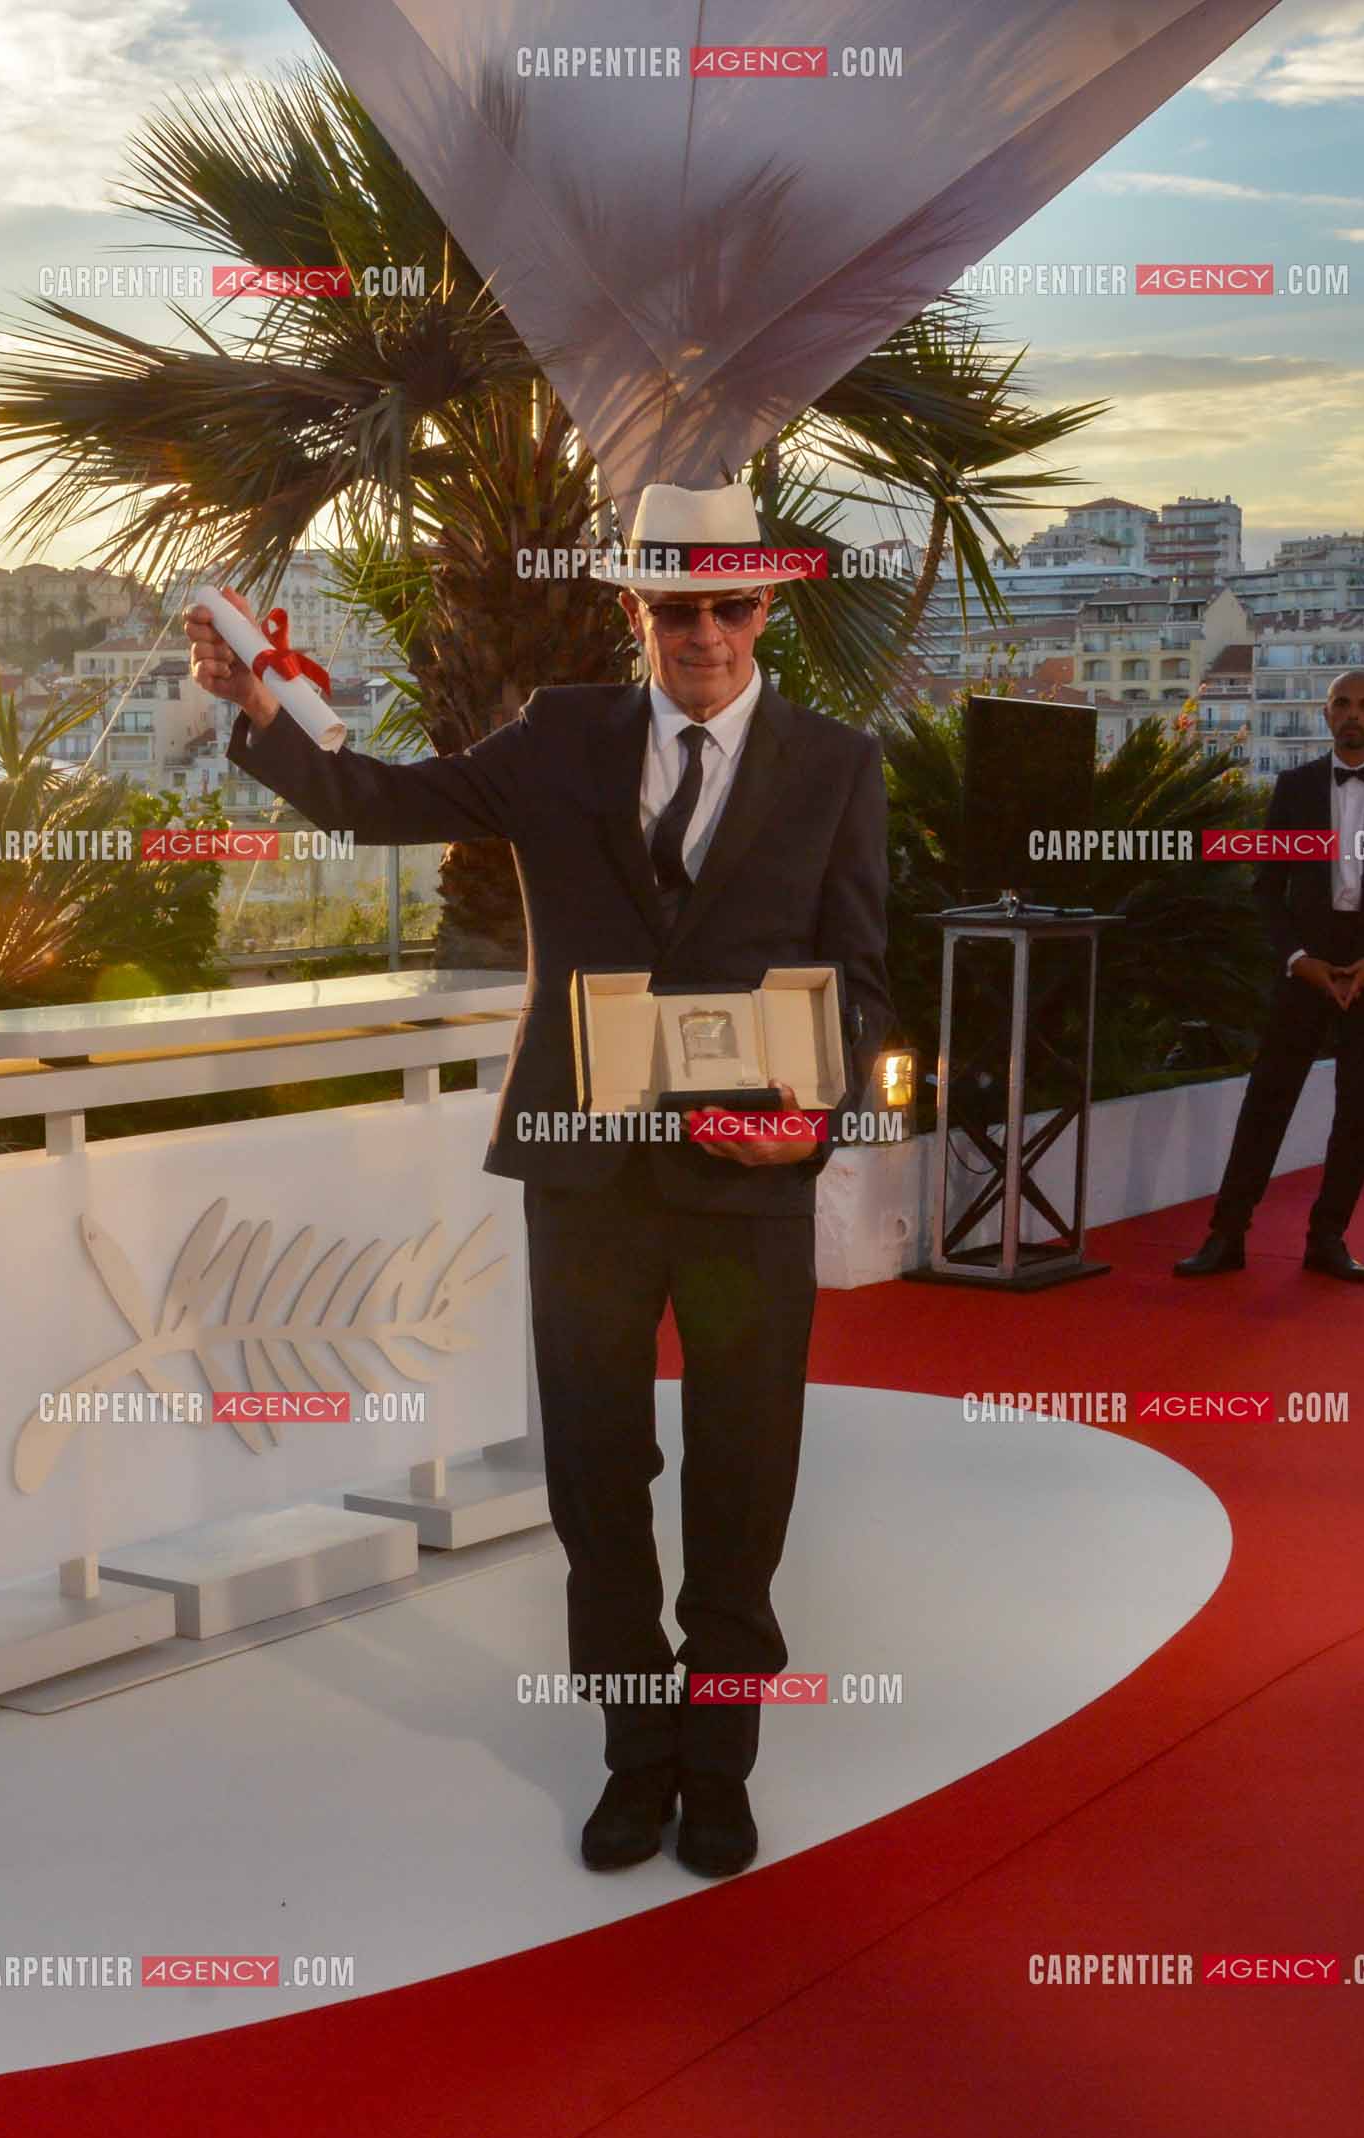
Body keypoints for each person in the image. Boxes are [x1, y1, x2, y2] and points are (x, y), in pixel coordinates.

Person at [184, 482, 893, 1879]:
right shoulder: (564, 732)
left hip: (752, 1182)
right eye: (675, 606)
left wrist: (815, 1119)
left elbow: (861, 982)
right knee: (597, 1474)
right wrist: (260, 714)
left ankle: (723, 1758)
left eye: (730, 604)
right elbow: (381, 798)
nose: (703, 632)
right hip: (586, 1174)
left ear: (768, 609)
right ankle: (638, 1756)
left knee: (744, 1477)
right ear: (636, 610)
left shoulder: (837, 763)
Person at [1175, 669, 1364, 1284]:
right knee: (1266, 1100)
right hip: (1307, 966)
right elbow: (1268, 887)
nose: (1353, 714)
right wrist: (1298, 959)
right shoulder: (1294, 788)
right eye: (1342, 704)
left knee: (1359, 1110)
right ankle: (1227, 1234)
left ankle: (1328, 1237)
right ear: (1325, 715)